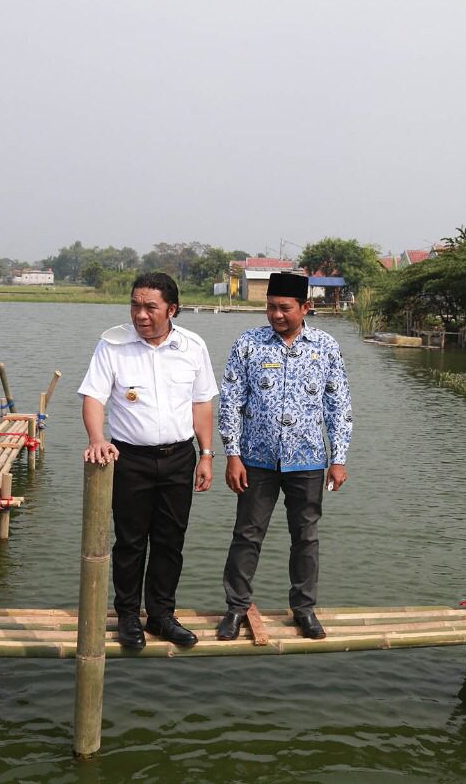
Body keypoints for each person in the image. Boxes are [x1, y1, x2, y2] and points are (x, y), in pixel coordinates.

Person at [78, 272, 218, 650]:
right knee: (130, 541)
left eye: (150, 307)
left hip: (179, 458)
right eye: (136, 305)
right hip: (130, 459)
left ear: (172, 309)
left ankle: (160, 615)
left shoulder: (193, 347)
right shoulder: (112, 345)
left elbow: (202, 402)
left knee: (170, 541)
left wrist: (206, 454)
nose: (141, 314)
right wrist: (97, 438)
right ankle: (127, 616)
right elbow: (93, 397)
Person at [216, 272, 353, 641]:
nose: (276, 314)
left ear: (305, 307)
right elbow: (230, 400)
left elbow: (338, 405)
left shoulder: (325, 345)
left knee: (305, 537)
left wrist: (338, 458)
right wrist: (232, 454)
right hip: (256, 460)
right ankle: (236, 607)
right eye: (271, 307)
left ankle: (304, 609)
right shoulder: (248, 343)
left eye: (285, 308)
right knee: (247, 535)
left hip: (308, 460)